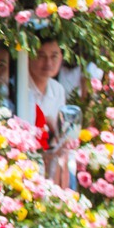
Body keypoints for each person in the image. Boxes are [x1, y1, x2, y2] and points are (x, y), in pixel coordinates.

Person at [27, 37, 72, 181]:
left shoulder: (57, 89)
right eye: (41, 56)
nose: (48, 63)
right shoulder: (18, 85)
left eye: (54, 56)